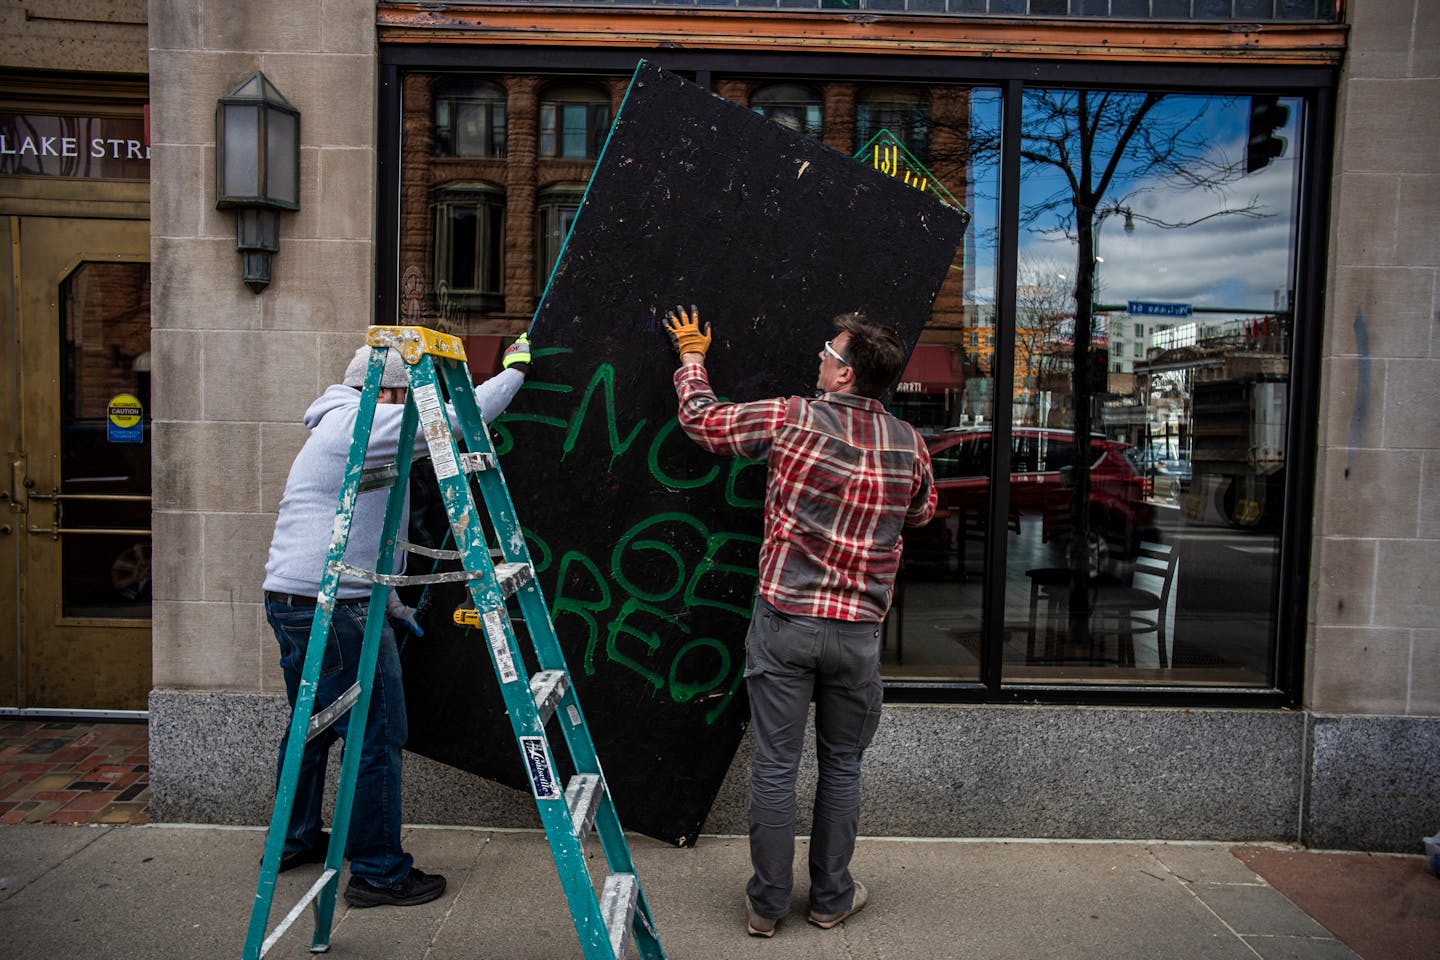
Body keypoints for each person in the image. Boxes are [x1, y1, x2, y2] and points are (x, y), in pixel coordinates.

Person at [663, 306, 935, 937]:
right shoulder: (910, 444)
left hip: (786, 620)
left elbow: (704, 423)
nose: (819, 357)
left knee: (776, 766)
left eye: (828, 352)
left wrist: (692, 358)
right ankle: (831, 898)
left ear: (844, 376)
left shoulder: (793, 418)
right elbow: (922, 513)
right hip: (858, 634)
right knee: (842, 766)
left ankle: (766, 906)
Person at [262, 333, 531, 908]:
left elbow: (366, 529)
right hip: (336, 607)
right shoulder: (357, 426)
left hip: (299, 598)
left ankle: (293, 838)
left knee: (309, 724)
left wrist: (395, 604)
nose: (414, 407)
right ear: (386, 392)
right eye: (410, 397)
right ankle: (380, 873)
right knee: (375, 736)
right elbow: (460, 419)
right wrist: (514, 372)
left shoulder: (343, 423)